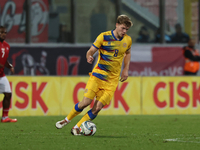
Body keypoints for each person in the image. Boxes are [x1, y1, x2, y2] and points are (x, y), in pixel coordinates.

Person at [55, 15, 133, 135]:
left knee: (97, 108)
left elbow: (127, 53)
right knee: (85, 102)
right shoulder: (104, 36)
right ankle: (67, 120)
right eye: (123, 28)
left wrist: (126, 69)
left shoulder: (127, 40)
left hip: (112, 81)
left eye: (126, 29)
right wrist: (89, 56)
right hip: (98, 76)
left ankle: (77, 127)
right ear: (116, 25)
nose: (124, 31)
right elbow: (90, 50)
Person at [0, 26, 17, 122]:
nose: (3, 34)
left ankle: (5, 117)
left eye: (5, 33)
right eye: (1, 32)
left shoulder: (7, 46)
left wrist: (10, 66)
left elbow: (4, 60)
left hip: (1, 75)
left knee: (8, 94)